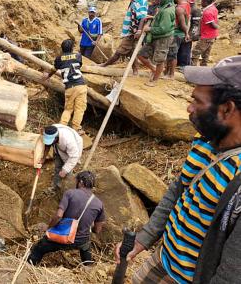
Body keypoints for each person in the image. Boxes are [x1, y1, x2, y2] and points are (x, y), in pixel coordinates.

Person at [114, 56, 241, 283]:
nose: (189, 107)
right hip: (163, 258)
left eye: (198, 102)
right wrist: (146, 236)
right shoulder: (205, 140)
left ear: (226, 109)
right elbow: (179, 189)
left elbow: (233, 270)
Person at [28, 171, 105, 266]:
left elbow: (59, 215)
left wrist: (49, 228)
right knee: (86, 247)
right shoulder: (99, 203)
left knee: (38, 248)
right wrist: (89, 225)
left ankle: (29, 267)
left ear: (80, 182)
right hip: (81, 241)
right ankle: (88, 269)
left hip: (62, 237)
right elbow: (97, 230)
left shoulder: (70, 193)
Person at [98, 0, 147, 75]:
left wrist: (139, 30)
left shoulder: (140, 2)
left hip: (132, 32)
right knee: (133, 52)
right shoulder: (139, 0)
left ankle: (104, 65)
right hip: (132, 31)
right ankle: (136, 71)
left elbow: (142, 17)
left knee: (119, 51)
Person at [137, 0, 176, 87]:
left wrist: (149, 29)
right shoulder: (165, 7)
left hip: (163, 38)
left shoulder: (167, 11)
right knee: (141, 54)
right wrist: (153, 17)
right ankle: (154, 70)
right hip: (155, 37)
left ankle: (155, 80)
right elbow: (161, 21)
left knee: (160, 59)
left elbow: (164, 28)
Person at [45, 39, 88, 134]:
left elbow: (54, 69)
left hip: (69, 87)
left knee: (68, 109)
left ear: (62, 48)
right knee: (79, 108)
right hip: (80, 85)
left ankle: (62, 126)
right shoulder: (78, 55)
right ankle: (76, 128)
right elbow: (79, 65)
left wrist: (48, 76)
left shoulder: (58, 59)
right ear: (72, 48)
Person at [37, 124, 83, 189]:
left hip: (72, 152)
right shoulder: (51, 130)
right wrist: (43, 158)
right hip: (59, 148)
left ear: (56, 137)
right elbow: (47, 145)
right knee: (57, 167)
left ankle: (67, 190)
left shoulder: (69, 141)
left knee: (67, 172)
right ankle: (55, 186)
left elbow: (74, 157)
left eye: (51, 141)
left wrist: (65, 170)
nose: (49, 143)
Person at [165, 0, 191, 77]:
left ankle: (171, 74)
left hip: (177, 34)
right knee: (172, 54)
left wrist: (186, 33)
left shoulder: (179, 8)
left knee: (172, 54)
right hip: (181, 33)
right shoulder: (187, 4)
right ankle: (167, 72)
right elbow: (188, 19)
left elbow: (182, 24)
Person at [191, 0, 219, 66]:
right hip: (212, 35)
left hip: (206, 36)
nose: (201, 3)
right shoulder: (213, 8)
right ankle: (204, 67)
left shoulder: (207, 12)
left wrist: (217, 26)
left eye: (202, 1)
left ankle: (193, 69)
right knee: (206, 54)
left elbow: (213, 25)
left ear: (206, 2)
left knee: (195, 52)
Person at [178, 0, 201, 68]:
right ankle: (180, 64)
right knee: (181, 49)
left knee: (186, 50)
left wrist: (190, 36)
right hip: (183, 31)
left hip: (189, 33)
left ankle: (184, 65)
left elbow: (196, 25)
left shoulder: (195, 10)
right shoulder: (186, 7)